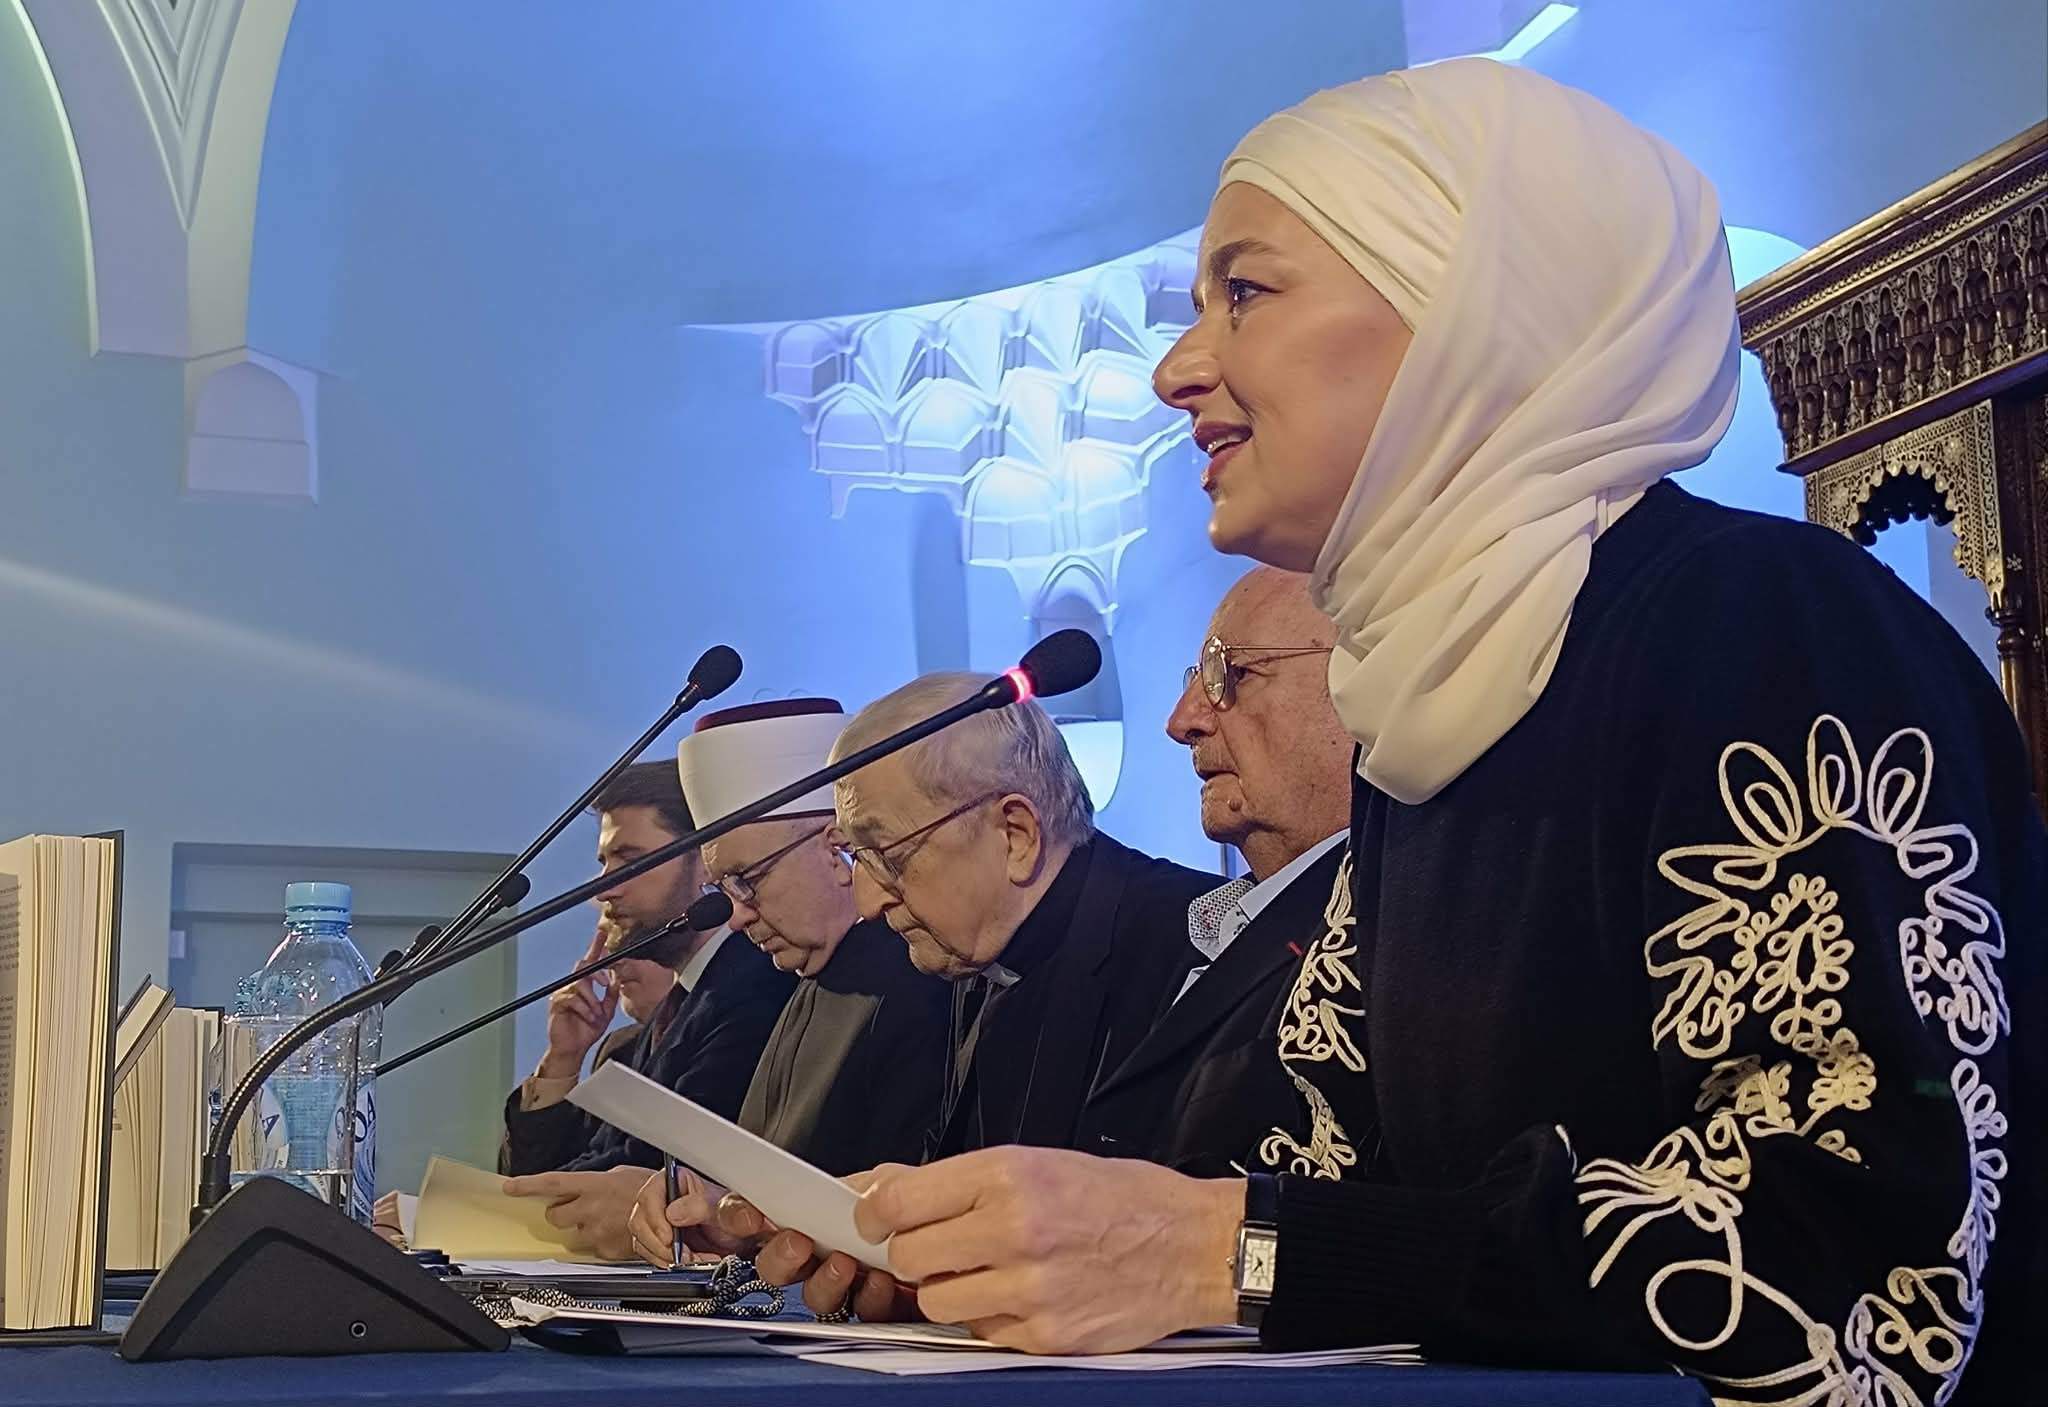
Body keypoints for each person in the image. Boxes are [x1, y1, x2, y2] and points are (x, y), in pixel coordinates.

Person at [746, 58, 2046, 1407]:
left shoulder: (1755, 626)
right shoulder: (1428, 716)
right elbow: (1326, 1172)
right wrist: (1000, 1249)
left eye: (1244, 292)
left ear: (1469, 302)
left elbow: (1848, 1264)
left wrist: (1217, 1253)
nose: (1177, 368)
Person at [828, 671, 1218, 1160]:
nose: (867, 903)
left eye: (886, 856)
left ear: (1016, 835)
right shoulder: (978, 951)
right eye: (856, 856)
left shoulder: (1196, 953)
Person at [623, 698, 953, 1268]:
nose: (737, 916)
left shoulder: (920, 979)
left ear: (835, 849)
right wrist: (717, 1213)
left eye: (747, 880)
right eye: (725, 889)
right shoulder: (806, 985)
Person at [1074, 565, 1351, 1170]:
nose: (1182, 722)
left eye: (1233, 673)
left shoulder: (1394, 929)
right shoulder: (1196, 927)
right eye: (1195, 679)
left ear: (1364, 685)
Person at [496, 761, 793, 1256]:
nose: (604, 888)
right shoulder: (673, 1009)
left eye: (629, 860)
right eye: (604, 862)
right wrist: (562, 1059)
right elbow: (582, 1165)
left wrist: (489, 1208)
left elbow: (657, 1165)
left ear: (706, 861)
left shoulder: (755, 986)